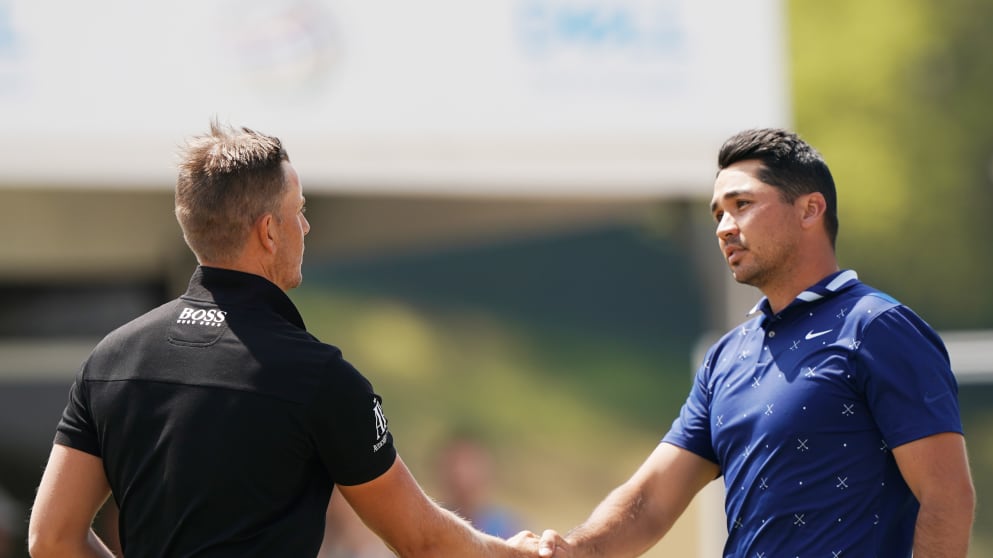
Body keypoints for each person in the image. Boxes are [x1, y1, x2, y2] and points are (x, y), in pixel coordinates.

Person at [28, 121, 540, 558]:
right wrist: (513, 553)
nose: (307, 225)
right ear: (269, 232)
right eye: (299, 210)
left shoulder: (111, 359)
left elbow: (50, 540)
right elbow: (423, 541)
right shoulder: (318, 377)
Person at [537, 128, 976, 557]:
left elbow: (947, 497)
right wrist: (575, 548)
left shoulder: (879, 328)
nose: (724, 228)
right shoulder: (725, 358)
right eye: (717, 214)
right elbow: (650, 502)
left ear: (809, 210)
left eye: (741, 205)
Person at [435, 434, 524, 539]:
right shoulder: (432, 527)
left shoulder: (509, 530)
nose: (462, 475)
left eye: (469, 464)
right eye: (453, 465)